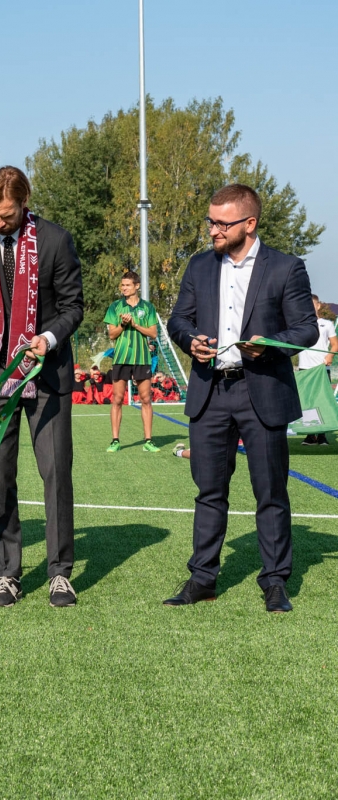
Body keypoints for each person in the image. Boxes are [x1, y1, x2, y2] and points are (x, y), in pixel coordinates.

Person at [165, 183, 316, 613]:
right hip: (210, 393)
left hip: (262, 392)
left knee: (270, 492)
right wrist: (189, 340)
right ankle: (202, 579)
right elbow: (179, 319)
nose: (212, 229)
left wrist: (268, 344)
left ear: (249, 224)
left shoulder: (286, 268)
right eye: (210, 220)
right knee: (208, 491)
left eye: (221, 222)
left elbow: (305, 328)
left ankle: (274, 582)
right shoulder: (198, 266)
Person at [0, 166, 84, 607]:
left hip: (45, 376)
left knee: (55, 474)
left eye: (5, 215)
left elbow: (73, 306)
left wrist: (47, 338)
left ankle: (60, 573)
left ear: (25, 203)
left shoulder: (55, 240)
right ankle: (7, 572)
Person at [104, 270, 160, 452]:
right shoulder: (115, 307)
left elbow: (153, 333)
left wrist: (135, 325)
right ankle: (115, 440)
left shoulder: (148, 307)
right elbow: (112, 335)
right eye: (122, 285)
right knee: (118, 399)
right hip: (121, 358)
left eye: (127, 285)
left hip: (142, 358)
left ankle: (148, 441)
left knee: (146, 398)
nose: (124, 288)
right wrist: (122, 325)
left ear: (137, 286)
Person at [298, 294, 337, 446]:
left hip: (320, 369)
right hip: (304, 368)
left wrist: (330, 357)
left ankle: (322, 436)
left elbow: (335, 345)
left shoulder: (326, 324)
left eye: (312, 303)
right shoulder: (299, 324)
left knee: (322, 401)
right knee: (306, 402)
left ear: (318, 305)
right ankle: (310, 436)